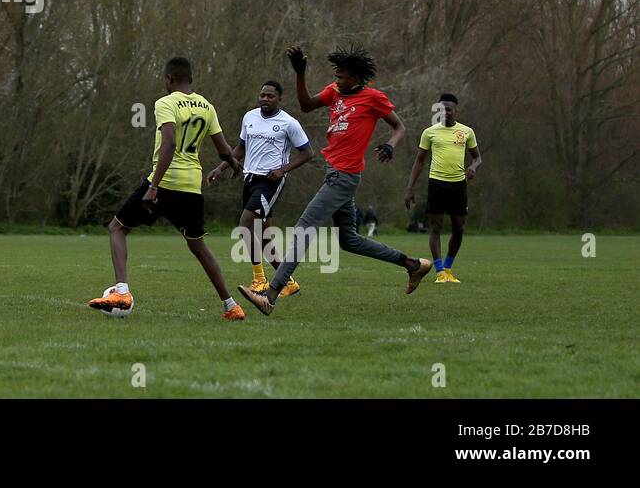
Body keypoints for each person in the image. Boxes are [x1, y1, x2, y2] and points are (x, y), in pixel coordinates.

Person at [237, 46, 432, 316]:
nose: (337, 80)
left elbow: (399, 127)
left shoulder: (373, 97)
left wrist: (390, 145)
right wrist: (300, 73)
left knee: (303, 228)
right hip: (335, 173)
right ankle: (412, 264)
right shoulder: (335, 92)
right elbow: (306, 106)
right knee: (349, 241)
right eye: (336, 76)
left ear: (355, 77)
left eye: (341, 76)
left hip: (344, 177)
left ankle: (270, 295)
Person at [89, 57, 247, 321]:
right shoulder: (207, 106)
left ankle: (122, 292)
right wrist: (233, 163)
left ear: (169, 79)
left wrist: (154, 186)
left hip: (165, 182)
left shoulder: (165, 103)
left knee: (117, 228)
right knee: (198, 246)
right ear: (191, 79)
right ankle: (231, 306)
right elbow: (223, 150)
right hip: (192, 187)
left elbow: (170, 142)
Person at [208, 79, 313, 296]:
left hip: (270, 182)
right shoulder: (250, 117)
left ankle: (259, 280)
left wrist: (283, 169)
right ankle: (289, 282)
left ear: (280, 99)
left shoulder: (288, 123)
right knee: (264, 237)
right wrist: (221, 168)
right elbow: (240, 148)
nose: (265, 99)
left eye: (270, 96)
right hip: (249, 179)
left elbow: (307, 153)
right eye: (262, 95)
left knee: (246, 223)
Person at [406, 93, 481, 283]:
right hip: (437, 183)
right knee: (435, 227)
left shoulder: (466, 132)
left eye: (449, 109)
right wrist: (410, 188)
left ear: (456, 110)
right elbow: (420, 160)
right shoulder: (430, 132)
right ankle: (439, 272)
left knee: (458, 228)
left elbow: (477, 157)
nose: (445, 112)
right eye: (441, 109)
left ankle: (448, 268)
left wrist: (472, 167)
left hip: (458, 185)